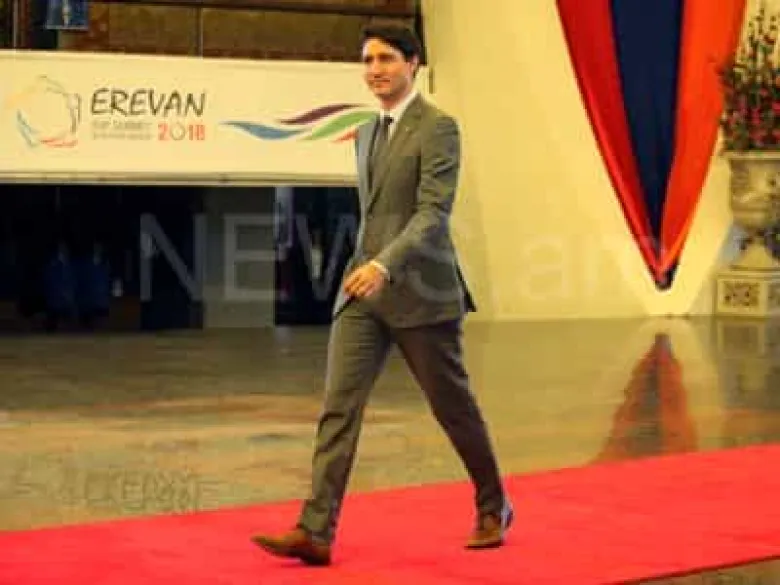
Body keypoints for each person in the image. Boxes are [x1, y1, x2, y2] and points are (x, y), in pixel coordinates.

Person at [251, 23, 512, 566]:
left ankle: (494, 506)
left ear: (413, 63)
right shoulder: (366, 131)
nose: (375, 70)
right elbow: (374, 215)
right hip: (363, 293)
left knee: (453, 408)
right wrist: (363, 266)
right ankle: (315, 530)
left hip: (420, 291)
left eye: (387, 59)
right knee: (338, 409)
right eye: (368, 60)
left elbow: (432, 213)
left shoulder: (439, 128)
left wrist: (385, 265)